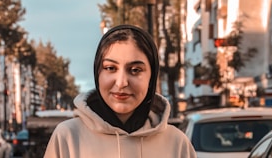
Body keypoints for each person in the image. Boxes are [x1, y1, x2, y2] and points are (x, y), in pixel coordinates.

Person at [44, 24, 196, 158]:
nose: (122, 82)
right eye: (111, 68)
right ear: (98, 74)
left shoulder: (177, 143)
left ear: (151, 77)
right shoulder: (68, 137)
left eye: (135, 70)